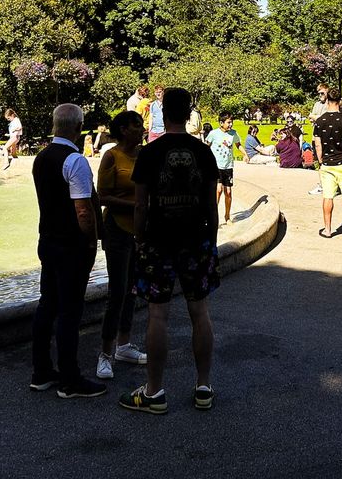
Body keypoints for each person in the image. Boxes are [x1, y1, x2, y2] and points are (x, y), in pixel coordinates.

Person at [121, 88, 219, 414]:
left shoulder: (150, 153)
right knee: (200, 313)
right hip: (196, 239)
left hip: (158, 240)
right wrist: (212, 240)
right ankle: (203, 386)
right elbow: (210, 204)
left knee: (157, 314)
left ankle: (154, 391)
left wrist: (139, 240)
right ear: (190, 111)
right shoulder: (204, 152)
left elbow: (140, 205)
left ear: (162, 112)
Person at [29, 103, 105, 399]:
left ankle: (42, 371)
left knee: (47, 304)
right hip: (71, 245)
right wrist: (91, 241)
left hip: (47, 240)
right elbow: (83, 210)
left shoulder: (41, 157)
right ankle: (70, 379)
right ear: (78, 127)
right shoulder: (75, 160)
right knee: (70, 311)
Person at [95, 110, 149, 380]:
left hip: (140, 231)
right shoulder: (112, 156)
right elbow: (102, 197)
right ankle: (104, 354)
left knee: (132, 290)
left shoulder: (143, 156)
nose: (142, 129)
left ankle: (124, 345)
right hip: (116, 229)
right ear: (124, 129)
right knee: (117, 292)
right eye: (137, 125)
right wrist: (136, 206)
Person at [313, 87, 342, 239]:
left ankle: (327, 229)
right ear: (339, 101)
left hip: (327, 164)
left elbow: (318, 144)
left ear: (327, 100)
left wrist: (321, 161)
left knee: (328, 196)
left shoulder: (320, 121)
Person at [205, 114, 241, 224]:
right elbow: (206, 146)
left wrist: (245, 154)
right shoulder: (213, 134)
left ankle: (227, 216)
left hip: (228, 166)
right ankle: (212, 216)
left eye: (231, 122)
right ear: (221, 123)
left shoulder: (233, 133)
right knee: (218, 190)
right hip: (216, 166)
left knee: (228, 192)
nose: (230, 124)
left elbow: (238, 145)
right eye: (228, 122)